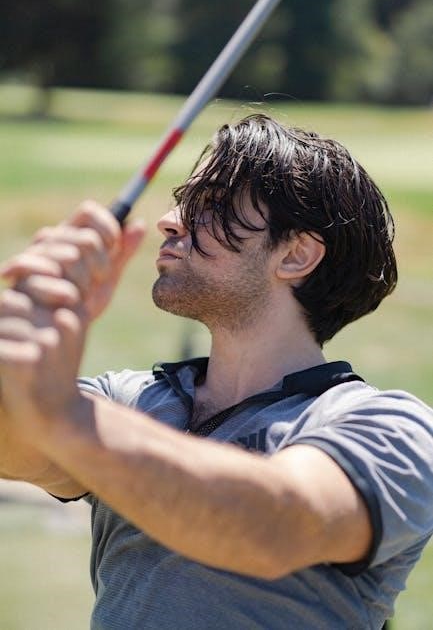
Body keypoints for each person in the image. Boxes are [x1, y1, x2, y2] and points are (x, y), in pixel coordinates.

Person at [0, 114, 431, 630]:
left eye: (212, 204)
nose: (169, 220)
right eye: (183, 200)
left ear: (296, 254)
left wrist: (61, 412)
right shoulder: (130, 402)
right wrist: (15, 364)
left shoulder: (391, 429)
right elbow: (16, 449)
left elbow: (274, 527)